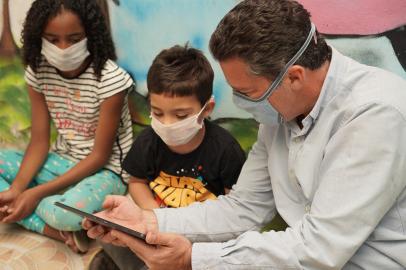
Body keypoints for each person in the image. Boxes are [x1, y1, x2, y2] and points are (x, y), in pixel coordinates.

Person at [84, 0, 406, 269]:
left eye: (248, 92)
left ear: (293, 77)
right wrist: (148, 220)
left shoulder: (376, 114)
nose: (241, 103)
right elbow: (243, 208)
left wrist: (193, 258)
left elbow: (318, 249)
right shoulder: (280, 112)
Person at [90, 44, 246, 270]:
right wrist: (153, 215)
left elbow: (235, 208)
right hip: (155, 224)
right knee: (115, 233)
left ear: (207, 108)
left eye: (181, 115)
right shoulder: (149, 140)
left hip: (201, 233)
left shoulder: (225, 150)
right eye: (158, 113)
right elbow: (137, 182)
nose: (167, 124)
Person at [0, 0, 134, 253]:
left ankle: (51, 221)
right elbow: (39, 141)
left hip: (105, 172)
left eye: (74, 39)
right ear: (38, 37)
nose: (63, 48)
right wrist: (18, 188)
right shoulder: (38, 71)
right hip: (59, 161)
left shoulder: (110, 80)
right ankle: (57, 231)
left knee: (65, 213)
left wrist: (34, 193)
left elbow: (99, 156)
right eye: (52, 39)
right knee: (16, 190)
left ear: (90, 35)